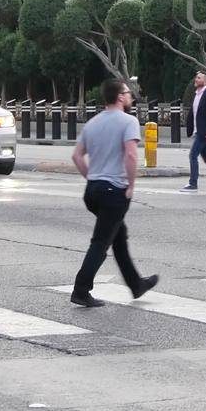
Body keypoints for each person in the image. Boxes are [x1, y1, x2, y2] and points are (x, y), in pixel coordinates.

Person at [70, 79, 159, 307]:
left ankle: (136, 284)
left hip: (93, 191)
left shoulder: (92, 123)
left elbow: (77, 156)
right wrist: (130, 185)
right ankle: (81, 289)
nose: (131, 97)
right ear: (120, 97)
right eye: (128, 93)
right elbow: (131, 155)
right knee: (101, 241)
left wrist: (91, 177)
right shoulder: (128, 121)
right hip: (114, 191)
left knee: (118, 234)